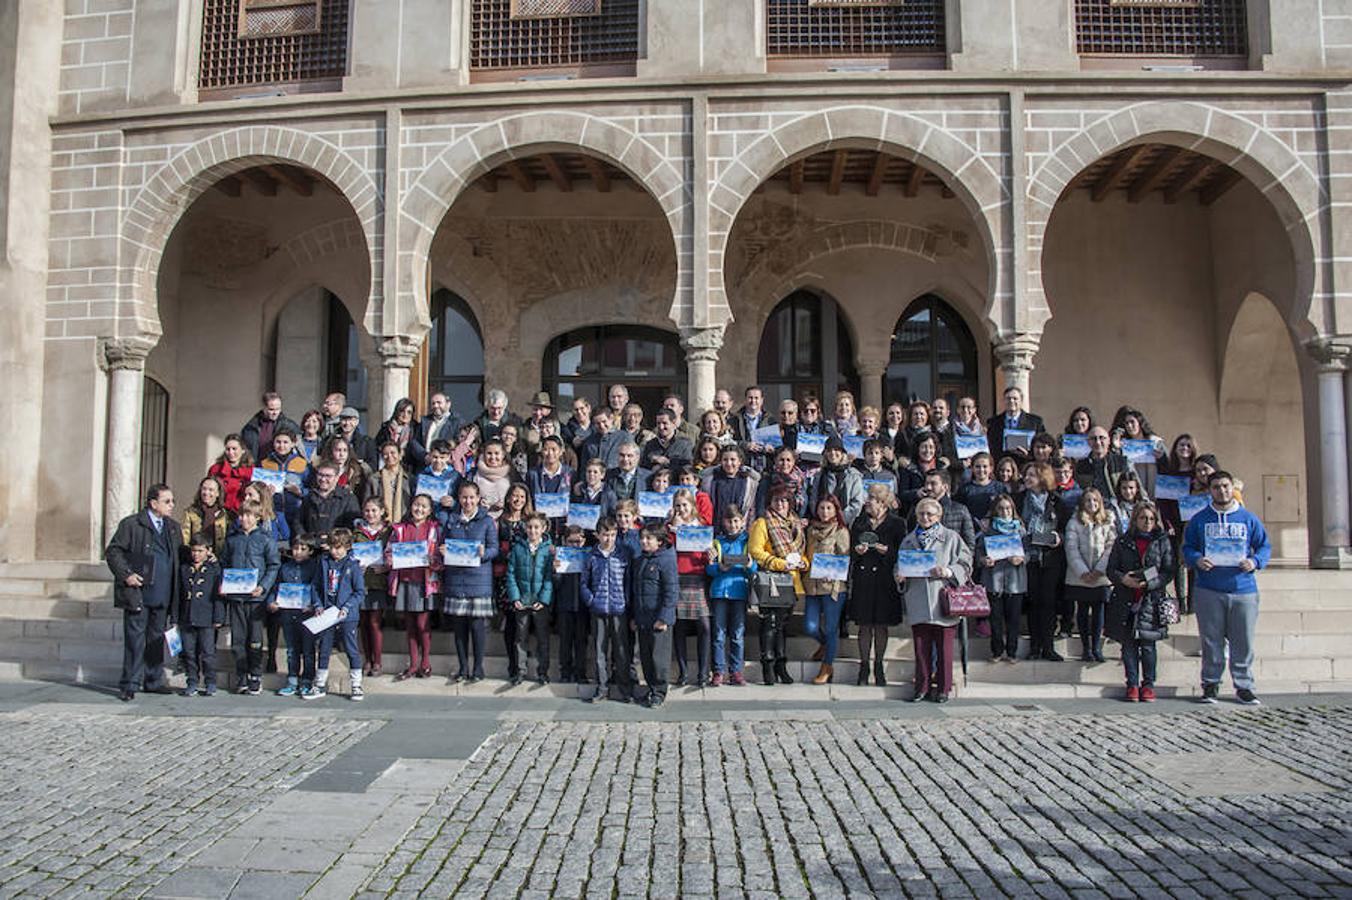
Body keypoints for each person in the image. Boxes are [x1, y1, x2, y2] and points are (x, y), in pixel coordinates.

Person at [1183, 470, 1271, 705]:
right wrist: (1196, 559)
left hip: (1243, 589)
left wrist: (1255, 561)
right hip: (1209, 588)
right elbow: (1188, 547)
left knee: (1243, 641)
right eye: (1216, 487)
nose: (1221, 491)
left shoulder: (1248, 519)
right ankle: (1211, 684)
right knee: (1211, 640)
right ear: (1209, 491)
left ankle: (1244, 686)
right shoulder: (1199, 519)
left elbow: (1264, 546)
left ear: (1232, 488)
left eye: (1225, 486)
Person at [107, 485, 184, 702]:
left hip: (163, 593)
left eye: (172, 501)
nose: (171, 505)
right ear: (153, 503)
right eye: (167, 501)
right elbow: (114, 551)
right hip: (139, 593)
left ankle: (153, 680)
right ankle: (130, 683)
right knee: (135, 640)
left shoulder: (173, 527)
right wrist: (127, 575)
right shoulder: (132, 524)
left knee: (156, 639)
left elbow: (180, 556)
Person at [897, 497, 974, 703]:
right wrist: (899, 575)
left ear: (938, 516)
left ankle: (943, 688)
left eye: (930, 514)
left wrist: (948, 571)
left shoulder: (951, 537)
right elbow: (900, 564)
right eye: (921, 514)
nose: (925, 517)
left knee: (944, 649)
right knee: (921, 648)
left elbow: (966, 563)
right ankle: (921, 687)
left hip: (943, 599)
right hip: (918, 599)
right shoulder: (908, 540)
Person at [1106, 502, 1175, 702]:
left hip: (1150, 600)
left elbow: (1168, 570)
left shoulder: (1161, 541)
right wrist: (1123, 579)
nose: (1147, 522)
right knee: (1128, 646)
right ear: (1135, 519)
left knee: (1148, 646)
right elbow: (1111, 569)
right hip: (1126, 598)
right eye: (1143, 518)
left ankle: (1148, 685)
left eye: (1151, 519)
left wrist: (1151, 583)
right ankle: (1132, 684)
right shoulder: (1123, 541)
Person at [440, 481, 499, 684]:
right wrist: (443, 551)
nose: (468, 501)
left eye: (471, 497)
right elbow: (443, 543)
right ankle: (463, 667)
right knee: (459, 628)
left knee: (477, 626)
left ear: (478, 498)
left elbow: (494, 549)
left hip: (479, 580)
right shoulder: (451, 520)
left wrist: (484, 553)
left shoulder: (487, 521)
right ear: (459, 498)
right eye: (464, 497)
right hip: (456, 579)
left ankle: (478, 668)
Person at [221, 500, 281, 695]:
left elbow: (273, 566)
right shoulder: (232, 540)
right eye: (241, 515)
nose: (244, 519)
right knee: (238, 639)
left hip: (255, 600)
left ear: (257, 517)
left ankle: (255, 675)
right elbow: (224, 563)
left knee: (255, 639)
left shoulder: (265, 539)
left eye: (248, 515)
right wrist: (224, 583)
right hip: (236, 597)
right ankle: (241, 674)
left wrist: (263, 587)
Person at [748, 485, 806, 686]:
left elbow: (801, 552)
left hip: (791, 580)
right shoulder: (762, 523)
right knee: (769, 623)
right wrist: (780, 563)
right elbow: (755, 551)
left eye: (784, 501)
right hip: (771, 580)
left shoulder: (796, 523)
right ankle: (768, 664)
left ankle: (781, 664)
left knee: (782, 625)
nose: (780, 504)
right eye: (776, 501)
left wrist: (803, 563)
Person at [848, 485, 905, 685]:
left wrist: (888, 552)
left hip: (885, 579)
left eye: (871, 498)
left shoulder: (897, 523)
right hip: (863, 578)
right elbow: (850, 549)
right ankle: (864, 666)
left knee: (881, 625)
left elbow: (903, 551)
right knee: (864, 625)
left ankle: (879, 665)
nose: (867, 502)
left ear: (882, 502)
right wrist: (857, 551)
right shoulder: (860, 522)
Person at [1016, 462, 1066, 662]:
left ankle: (1048, 646)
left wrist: (1059, 538)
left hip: (1049, 558)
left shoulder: (1056, 501)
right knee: (1034, 602)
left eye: (1032, 475)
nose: (1027, 478)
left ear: (1042, 478)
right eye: (1026, 475)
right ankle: (1035, 647)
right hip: (1028, 558)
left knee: (1048, 602)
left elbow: (1065, 527)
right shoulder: (1019, 499)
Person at [388, 494, 441, 681]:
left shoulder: (434, 529)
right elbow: (389, 551)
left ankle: (425, 663)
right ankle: (412, 664)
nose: (419, 509)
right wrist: (391, 559)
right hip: (405, 581)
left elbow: (440, 555)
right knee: (410, 625)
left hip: (424, 583)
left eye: (424, 506)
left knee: (422, 624)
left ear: (430, 510)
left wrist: (434, 560)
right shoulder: (400, 529)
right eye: (417, 505)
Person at [310, 528, 366, 700]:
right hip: (328, 613)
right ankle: (320, 684)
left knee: (351, 649)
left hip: (347, 615)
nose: (335, 551)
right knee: (324, 648)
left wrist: (347, 607)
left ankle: (356, 684)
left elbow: (359, 592)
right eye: (332, 547)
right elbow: (315, 586)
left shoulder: (353, 565)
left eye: (339, 548)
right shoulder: (323, 562)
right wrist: (318, 604)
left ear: (347, 547)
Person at [627, 524, 679, 708]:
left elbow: (671, 591)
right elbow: (636, 590)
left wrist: (664, 617)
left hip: (658, 619)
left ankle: (659, 692)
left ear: (659, 541)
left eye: (648, 538)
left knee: (659, 659)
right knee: (646, 657)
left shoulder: (667, 559)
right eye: (642, 538)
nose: (644, 541)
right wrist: (634, 616)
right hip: (643, 617)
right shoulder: (640, 560)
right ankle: (651, 688)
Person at [1064, 488, 1116, 663]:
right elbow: (1071, 549)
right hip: (1080, 576)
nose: (1092, 504)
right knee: (1082, 611)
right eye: (1088, 500)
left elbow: (1111, 547)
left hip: (1100, 576)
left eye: (1095, 500)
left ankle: (1096, 648)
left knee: (1099, 611)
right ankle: (1086, 648)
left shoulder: (1108, 520)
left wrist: (1099, 570)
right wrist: (1083, 572)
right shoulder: (1074, 522)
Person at [582, 517, 631, 703]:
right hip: (598, 609)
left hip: (619, 609)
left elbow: (628, 581)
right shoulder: (591, 556)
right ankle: (602, 687)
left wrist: (626, 602)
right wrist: (591, 601)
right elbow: (584, 583)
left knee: (621, 650)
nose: (609, 539)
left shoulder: (623, 555)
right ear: (597, 535)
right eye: (605, 535)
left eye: (612, 535)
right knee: (599, 649)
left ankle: (624, 688)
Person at [803, 494, 850, 685]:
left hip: (833, 587)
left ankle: (827, 666)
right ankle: (824, 644)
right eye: (822, 508)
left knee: (831, 628)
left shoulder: (840, 531)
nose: (825, 512)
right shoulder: (811, 530)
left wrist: (835, 572)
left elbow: (844, 557)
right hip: (812, 585)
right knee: (810, 626)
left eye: (829, 508)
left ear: (835, 510)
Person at [707, 504, 755, 687]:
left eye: (736, 521)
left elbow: (754, 568)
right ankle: (718, 671)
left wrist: (750, 565)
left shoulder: (747, 541)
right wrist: (719, 567)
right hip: (719, 591)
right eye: (729, 521)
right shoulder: (716, 542)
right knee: (718, 634)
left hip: (739, 592)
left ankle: (736, 671)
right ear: (723, 522)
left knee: (737, 634)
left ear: (742, 522)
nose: (733, 525)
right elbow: (709, 569)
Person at [976, 493, 1027, 663]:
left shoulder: (1020, 529)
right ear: (995, 511)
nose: (1005, 512)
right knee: (995, 619)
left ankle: (1012, 652)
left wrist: (1021, 558)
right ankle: (997, 651)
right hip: (993, 580)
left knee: (1013, 619)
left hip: (1015, 581)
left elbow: (1029, 551)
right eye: (1001, 509)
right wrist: (983, 560)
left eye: (1008, 508)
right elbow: (979, 552)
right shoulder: (988, 530)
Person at [668, 489, 711, 687]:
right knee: (680, 626)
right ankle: (683, 672)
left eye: (685, 505)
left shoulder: (701, 526)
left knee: (704, 625)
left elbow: (705, 555)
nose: (682, 509)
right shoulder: (669, 528)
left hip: (697, 577)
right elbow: (667, 551)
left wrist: (710, 555)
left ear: (692, 506)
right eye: (678, 505)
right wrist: (674, 531)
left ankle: (703, 673)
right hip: (678, 578)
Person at [506, 512, 554, 686]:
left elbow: (549, 577)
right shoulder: (518, 548)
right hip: (523, 599)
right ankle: (520, 671)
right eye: (529, 527)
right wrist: (515, 597)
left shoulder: (549, 549)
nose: (532, 531)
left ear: (543, 529)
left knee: (542, 637)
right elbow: (511, 574)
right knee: (521, 637)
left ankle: (543, 672)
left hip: (540, 602)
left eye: (536, 527)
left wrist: (544, 599)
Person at [271, 534, 320, 698]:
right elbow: (277, 587)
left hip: (307, 615)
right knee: (291, 650)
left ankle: (307, 680)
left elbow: (318, 588)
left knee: (308, 650)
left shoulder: (315, 567)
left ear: (310, 551)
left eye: (303, 549)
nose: (298, 552)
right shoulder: (285, 568)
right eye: (295, 548)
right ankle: (292, 680)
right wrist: (273, 602)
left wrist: (314, 605)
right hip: (288, 614)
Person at [177, 533, 223, 697]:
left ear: (208, 551)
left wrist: (218, 617)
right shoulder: (184, 569)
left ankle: (210, 682)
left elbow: (218, 596)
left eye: (200, 551)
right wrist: (175, 617)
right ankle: (192, 681)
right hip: (187, 617)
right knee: (189, 652)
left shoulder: (214, 570)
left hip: (206, 617)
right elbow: (178, 594)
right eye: (194, 551)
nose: (196, 554)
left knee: (208, 653)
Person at [354, 498, 392, 678]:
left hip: (379, 582)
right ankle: (367, 659)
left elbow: (396, 554)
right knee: (363, 623)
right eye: (367, 511)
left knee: (375, 622)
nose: (370, 514)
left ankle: (377, 661)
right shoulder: (357, 532)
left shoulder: (389, 532)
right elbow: (350, 554)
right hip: (361, 583)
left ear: (382, 511)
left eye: (374, 510)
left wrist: (386, 567)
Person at [554, 526, 591, 685]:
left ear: (584, 541)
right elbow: (555, 585)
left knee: (581, 641)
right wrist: (556, 571)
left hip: (583, 606)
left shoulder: (588, 556)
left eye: (578, 542)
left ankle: (581, 673)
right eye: (571, 542)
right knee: (565, 641)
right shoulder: (560, 557)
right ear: (564, 541)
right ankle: (565, 672)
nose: (575, 545)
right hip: (565, 605)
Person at [809, 436, 864, 526]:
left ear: (842, 453)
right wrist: (821, 516)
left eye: (836, 450)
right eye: (829, 450)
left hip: (844, 524)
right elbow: (814, 499)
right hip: (821, 523)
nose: (833, 453)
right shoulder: (819, 475)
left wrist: (841, 518)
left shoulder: (853, 476)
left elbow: (857, 502)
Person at [702, 444, 760, 528]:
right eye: (725, 460)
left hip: (739, 528)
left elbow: (751, 509)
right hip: (716, 527)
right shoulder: (711, 480)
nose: (729, 463)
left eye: (733, 460)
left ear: (739, 461)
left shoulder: (749, 482)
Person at [299, 462, 361, 538]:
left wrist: (333, 539)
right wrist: (305, 540)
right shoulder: (309, 497)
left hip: (337, 543)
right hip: (311, 543)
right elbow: (299, 522)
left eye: (328, 476)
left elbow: (352, 525)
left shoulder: (348, 499)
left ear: (337, 478)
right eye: (320, 475)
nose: (323, 479)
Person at [1075, 426, 1134, 502]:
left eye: (1102, 438)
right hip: (1093, 506)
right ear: (1088, 442)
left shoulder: (1122, 462)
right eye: (1093, 439)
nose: (1098, 442)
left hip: (1119, 505)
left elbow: (1137, 487)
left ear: (1109, 441)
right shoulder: (1081, 466)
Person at [985, 386, 1046, 460]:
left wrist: (1029, 455)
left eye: (1015, 398)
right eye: (1008, 398)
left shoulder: (1035, 422)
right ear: (1003, 401)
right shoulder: (993, 422)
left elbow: (1042, 444)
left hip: (1026, 462)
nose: (1011, 401)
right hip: (1002, 464)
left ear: (1021, 401)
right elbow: (991, 445)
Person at [181, 476, 231, 559]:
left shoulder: (224, 515)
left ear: (218, 493)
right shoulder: (190, 512)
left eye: (211, 490)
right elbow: (185, 539)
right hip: (195, 559)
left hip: (217, 560)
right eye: (204, 489)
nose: (206, 493)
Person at [240, 391, 299, 461]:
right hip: (257, 465)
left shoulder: (290, 426)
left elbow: (300, 446)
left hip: (280, 465)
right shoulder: (250, 427)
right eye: (271, 409)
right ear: (264, 408)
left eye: (278, 409)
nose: (275, 412)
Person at [367, 440, 412, 526]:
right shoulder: (374, 479)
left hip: (405, 524)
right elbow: (367, 503)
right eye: (385, 454)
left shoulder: (410, 479)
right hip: (380, 525)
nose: (389, 456)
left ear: (400, 455)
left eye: (393, 453)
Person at [955, 452, 1008, 523]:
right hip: (971, 526)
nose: (981, 470)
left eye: (985, 466)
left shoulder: (1000, 487)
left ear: (991, 468)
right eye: (977, 466)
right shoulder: (965, 489)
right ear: (972, 468)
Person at [208, 435, 254, 514]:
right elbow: (209, 490)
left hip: (243, 513)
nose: (231, 452)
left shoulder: (251, 471)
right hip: (220, 511)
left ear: (243, 450)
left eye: (234, 449)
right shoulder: (216, 469)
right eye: (228, 449)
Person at [474, 439, 517, 518]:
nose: (493, 457)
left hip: (505, 518)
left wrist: (506, 504)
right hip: (480, 518)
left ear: (503, 455)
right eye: (489, 453)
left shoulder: (512, 473)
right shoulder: (473, 474)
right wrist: (479, 503)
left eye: (497, 453)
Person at [642, 408, 694, 472]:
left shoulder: (685, 444)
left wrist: (668, 462)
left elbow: (688, 467)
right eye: (658, 423)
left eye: (665, 423)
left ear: (673, 423)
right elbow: (643, 468)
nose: (661, 427)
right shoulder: (650, 444)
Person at [321, 436, 373, 501]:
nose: (341, 454)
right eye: (338, 450)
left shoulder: (356, 470)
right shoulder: (323, 470)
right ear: (331, 451)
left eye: (345, 450)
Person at [418, 392, 462, 462]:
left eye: (439, 403)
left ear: (448, 404)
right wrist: (425, 456)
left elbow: (459, 443)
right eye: (433, 403)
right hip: (425, 463)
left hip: (446, 464)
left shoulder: (456, 422)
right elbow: (415, 442)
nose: (436, 406)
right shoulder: (425, 421)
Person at [377, 398, 421, 467]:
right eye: (402, 411)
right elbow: (378, 445)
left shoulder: (416, 428)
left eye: (409, 412)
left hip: (409, 466)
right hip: (389, 464)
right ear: (397, 411)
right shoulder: (386, 427)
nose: (405, 415)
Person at [571, 457, 616, 521]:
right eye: (589, 471)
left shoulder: (609, 494)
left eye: (595, 472)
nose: (591, 474)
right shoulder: (578, 490)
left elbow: (612, 516)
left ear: (602, 475)